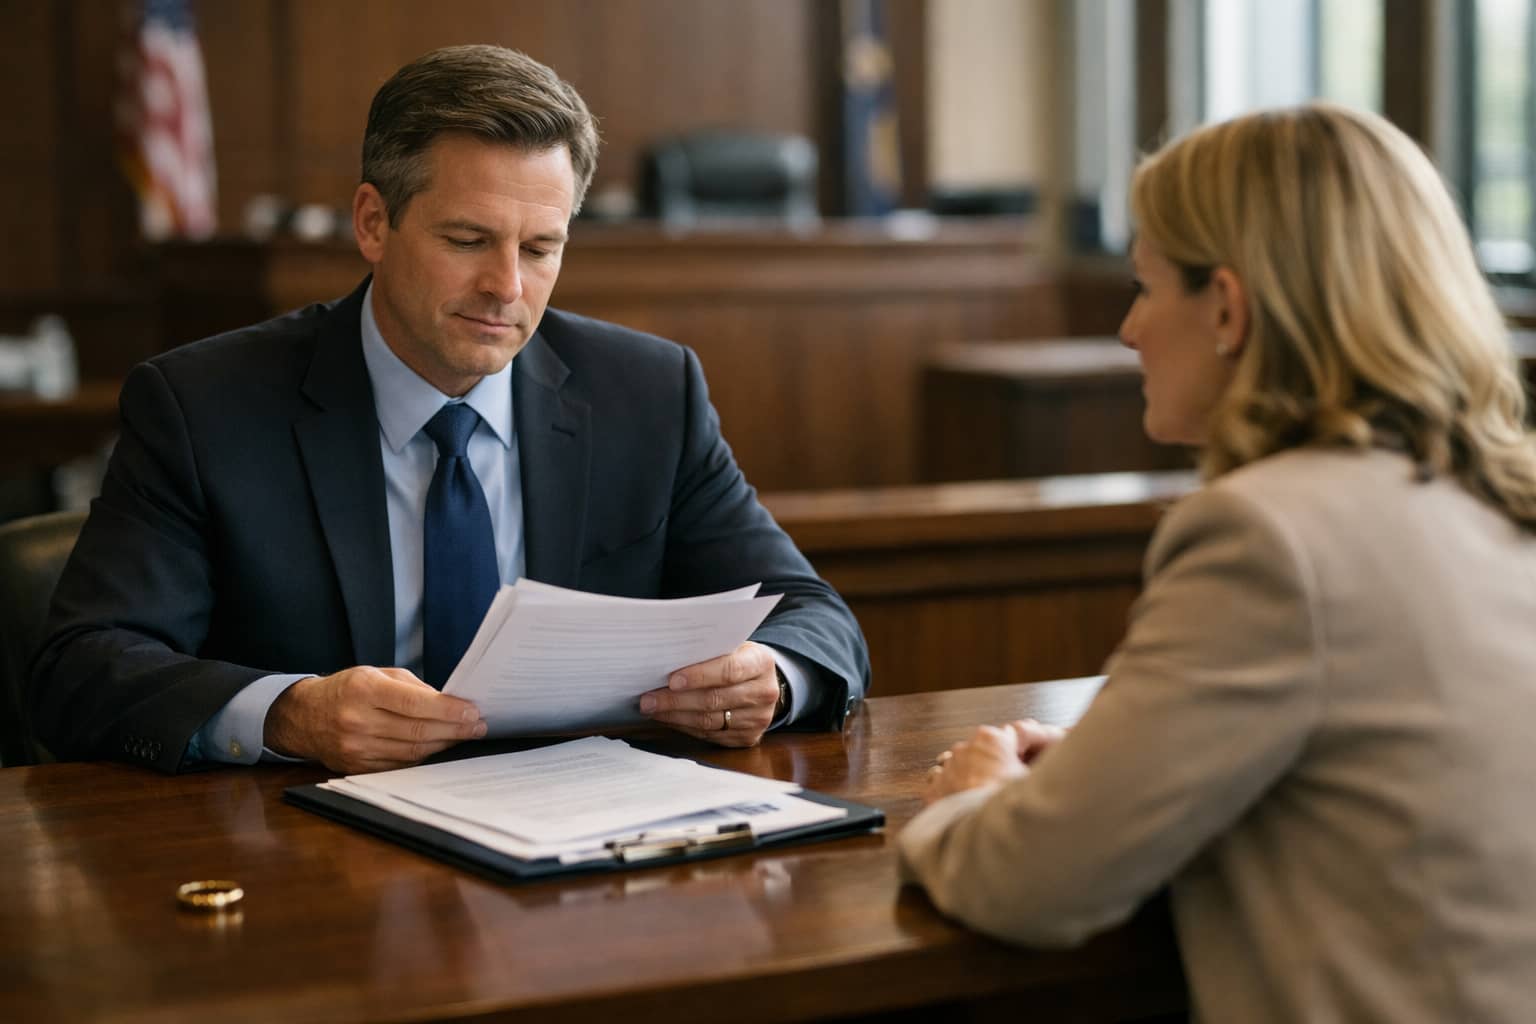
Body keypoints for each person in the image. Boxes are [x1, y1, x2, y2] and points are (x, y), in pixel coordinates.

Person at [29, 45, 869, 776]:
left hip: (575, 838)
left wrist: (771, 676)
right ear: (373, 223)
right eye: (468, 241)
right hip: (306, 846)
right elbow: (81, 668)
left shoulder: (648, 394)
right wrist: (288, 714)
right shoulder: (203, 406)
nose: (507, 286)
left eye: (540, 248)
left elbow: (815, 619)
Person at [899, 103, 1536, 1022]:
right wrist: (1115, 769)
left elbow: (1029, 884)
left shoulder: (1266, 536)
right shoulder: (1495, 494)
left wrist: (970, 800)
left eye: (1144, 287)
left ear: (1229, 309)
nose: (1128, 329)